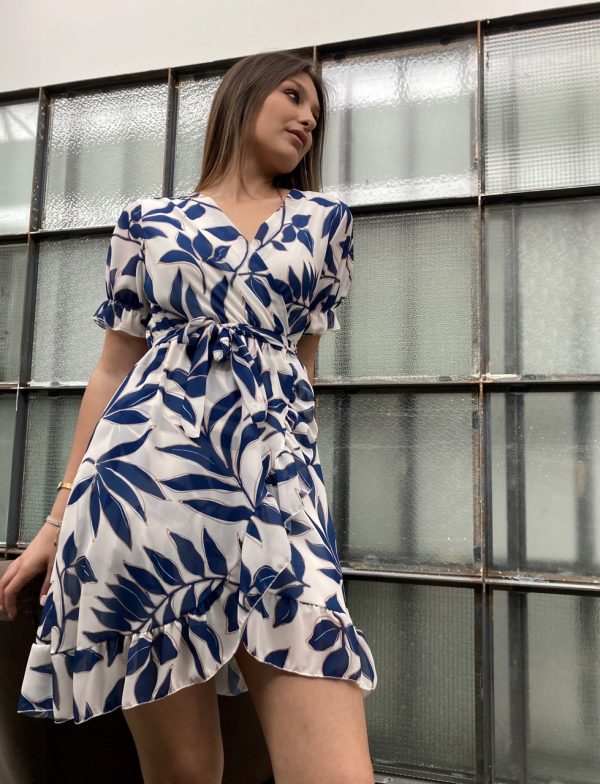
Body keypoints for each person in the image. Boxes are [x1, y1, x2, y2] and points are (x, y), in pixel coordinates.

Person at [0, 50, 378, 784]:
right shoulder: (146, 222)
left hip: (272, 499)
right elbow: (113, 369)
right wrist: (56, 521)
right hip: (143, 496)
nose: (309, 117)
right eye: (293, 96)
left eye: (317, 110)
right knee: (183, 773)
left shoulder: (325, 223)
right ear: (242, 98)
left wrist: (299, 491)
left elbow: (300, 371)